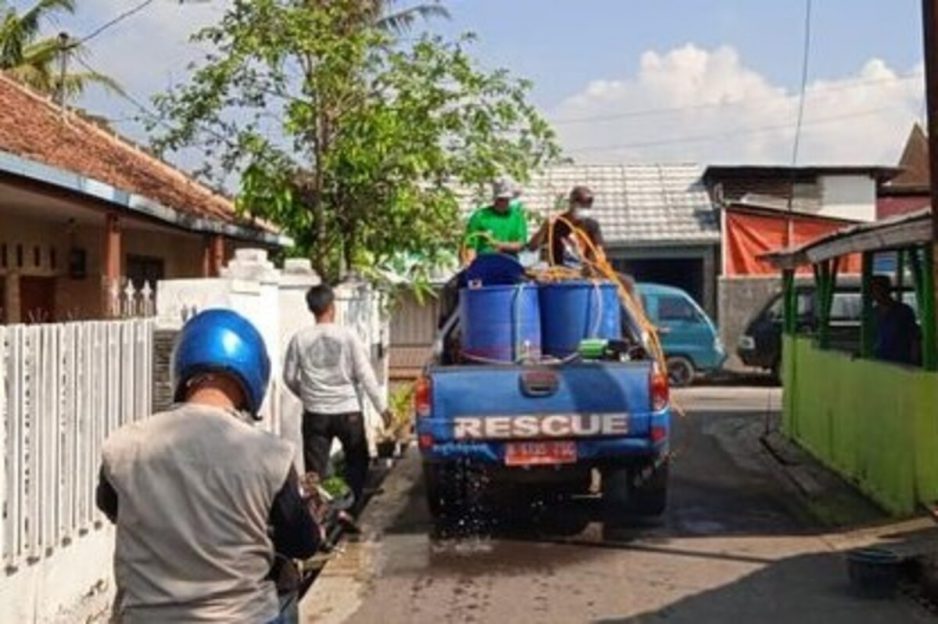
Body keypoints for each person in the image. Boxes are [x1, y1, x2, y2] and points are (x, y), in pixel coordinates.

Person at [96, 309, 320, 624]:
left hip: (145, 617)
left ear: (183, 367)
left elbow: (112, 508)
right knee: (284, 592)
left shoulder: (123, 445)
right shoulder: (272, 455)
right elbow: (303, 543)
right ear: (254, 376)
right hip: (244, 617)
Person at [284, 284, 392, 510]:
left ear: (311, 309)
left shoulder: (299, 339)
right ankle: (348, 508)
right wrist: (382, 408)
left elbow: (289, 377)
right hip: (348, 411)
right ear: (332, 307)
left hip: (315, 414)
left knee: (317, 470)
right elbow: (365, 374)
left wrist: (308, 395)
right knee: (357, 462)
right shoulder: (347, 336)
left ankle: (326, 511)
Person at [528, 185, 605, 267]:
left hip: (583, 272)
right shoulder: (556, 223)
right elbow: (532, 247)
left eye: (587, 206)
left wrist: (595, 262)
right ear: (571, 203)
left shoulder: (592, 225)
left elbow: (598, 250)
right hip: (559, 273)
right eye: (581, 205)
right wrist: (544, 227)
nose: (584, 208)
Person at [463, 179, 529, 261]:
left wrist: (499, 245)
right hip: (484, 264)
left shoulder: (517, 217)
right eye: (501, 199)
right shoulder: (480, 216)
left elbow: (521, 244)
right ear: (495, 198)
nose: (503, 202)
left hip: (509, 263)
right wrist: (471, 266)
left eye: (506, 199)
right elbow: (470, 245)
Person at [871, 274, 921, 365]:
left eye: (878, 289)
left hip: (900, 362)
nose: (875, 294)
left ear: (887, 290)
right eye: (873, 291)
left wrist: (914, 362)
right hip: (878, 361)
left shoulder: (903, 311)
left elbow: (914, 338)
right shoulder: (872, 313)